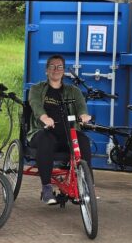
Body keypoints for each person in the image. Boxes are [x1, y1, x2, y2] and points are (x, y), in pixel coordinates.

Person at [27, 55, 92, 205]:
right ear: (46, 70)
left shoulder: (73, 91)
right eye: (52, 66)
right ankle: (47, 188)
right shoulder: (36, 89)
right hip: (43, 132)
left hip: (67, 134)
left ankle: (87, 186)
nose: (56, 70)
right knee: (46, 139)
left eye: (60, 67)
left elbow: (81, 107)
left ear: (64, 71)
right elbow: (36, 105)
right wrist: (44, 118)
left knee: (83, 140)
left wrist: (83, 116)